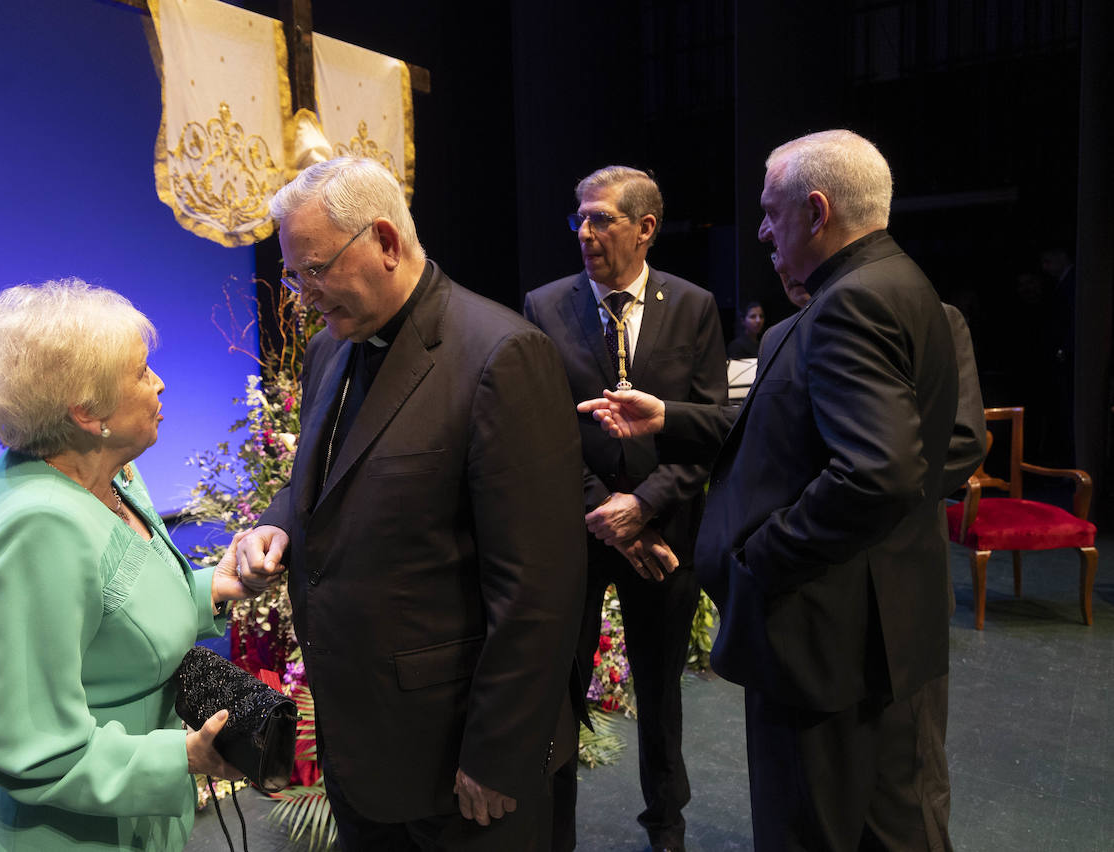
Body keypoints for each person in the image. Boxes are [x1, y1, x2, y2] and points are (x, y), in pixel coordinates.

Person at [580, 130, 961, 850]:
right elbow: (795, 437)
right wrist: (670, 417)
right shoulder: (901, 285)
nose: (760, 230)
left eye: (769, 211)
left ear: (816, 211)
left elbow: (877, 473)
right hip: (874, 631)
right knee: (891, 825)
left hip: (823, 639)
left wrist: (761, 557)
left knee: (810, 830)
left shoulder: (851, 305)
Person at [230, 157, 586, 850]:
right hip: (366, 749)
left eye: (315, 269)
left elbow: (538, 588)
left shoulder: (502, 356)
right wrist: (274, 526)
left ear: (386, 243)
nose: (302, 294)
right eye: (294, 275)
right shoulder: (332, 350)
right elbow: (329, 475)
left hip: (462, 760)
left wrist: (498, 754)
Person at [0, 280, 269, 851]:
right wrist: (184, 755)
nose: (159, 382)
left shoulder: (105, 476)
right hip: (59, 832)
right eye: (141, 372)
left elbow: (112, 607)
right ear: (87, 412)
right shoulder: (35, 529)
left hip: (119, 812)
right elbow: (30, 747)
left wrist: (209, 588)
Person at [523, 165, 726, 851]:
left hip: (663, 531)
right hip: (576, 534)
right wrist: (605, 508)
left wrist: (644, 505)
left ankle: (666, 828)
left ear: (645, 229)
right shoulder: (544, 308)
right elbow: (539, 429)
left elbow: (708, 429)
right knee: (560, 696)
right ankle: (555, 835)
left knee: (661, 692)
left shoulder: (694, 307)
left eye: (600, 218)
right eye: (578, 218)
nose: (583, 232)